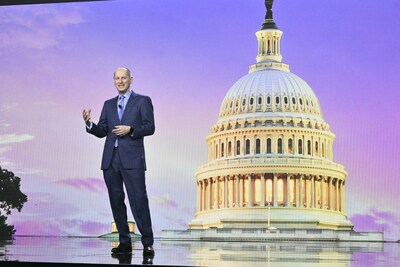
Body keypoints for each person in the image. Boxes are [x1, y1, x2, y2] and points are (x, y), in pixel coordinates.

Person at [82, 67, 155, 257]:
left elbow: (150, 127)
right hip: (110, 160)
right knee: (116, 202)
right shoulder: (108, 104)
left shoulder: (143, 101)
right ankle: (125, 243)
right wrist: (89, 124)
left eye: (123, 78)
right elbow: (102, 131)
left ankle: (148, 243)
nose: (120, 81)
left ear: (131, 79)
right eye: (117, 78)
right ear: (114, 81)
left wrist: (130, 129)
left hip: (132, 160)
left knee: (139, 201)